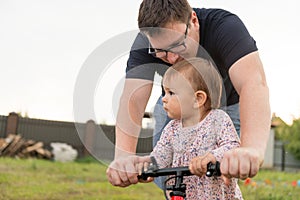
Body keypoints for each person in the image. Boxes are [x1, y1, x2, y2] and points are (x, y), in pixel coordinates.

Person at [106, 0, 270, 187]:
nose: (172, 58)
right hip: (178, 101)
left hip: (227, 103)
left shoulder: (225, 27)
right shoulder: (146, 41)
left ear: (193, 21)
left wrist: (250, 149)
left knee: (218, 172)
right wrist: (123, 157)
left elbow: (253, 84)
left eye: (178, 45)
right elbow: (133, 99)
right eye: (161, 52)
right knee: (164, 175)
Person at [115, 57, 243, 199]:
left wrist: (212, 157)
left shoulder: (218, 120)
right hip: (183, 193)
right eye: (164, 92)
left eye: (171, 93)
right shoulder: (172, 128)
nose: (164, 98)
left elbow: (232, 146)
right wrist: (148, 167)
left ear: (198, 99)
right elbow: (161, 155)